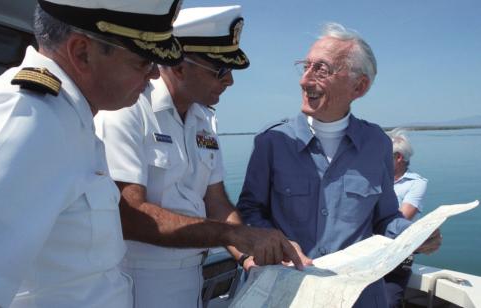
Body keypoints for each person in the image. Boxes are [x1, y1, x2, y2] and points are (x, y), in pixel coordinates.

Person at [0, 0, 183, 307]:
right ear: (81, 53)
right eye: (144, 61)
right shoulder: (23, 119)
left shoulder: (67, 119)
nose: (155, 75)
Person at [94, 6, 310, 308]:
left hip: (191, 278)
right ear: (180, 66)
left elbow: (217, 202)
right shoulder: (128, 110)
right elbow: (129, 215)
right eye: (220, 71)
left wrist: (249, 257)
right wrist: (237, 234)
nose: (230, 81)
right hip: (134, 281)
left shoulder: (204, 120)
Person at [236, 22, 442, 308]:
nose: (305, 80)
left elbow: (384, 219)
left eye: (321, 69)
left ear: (359, 86)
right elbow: (249, 211)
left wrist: (413, 235)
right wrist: (271, 242)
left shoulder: (377, 144)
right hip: (287, 294)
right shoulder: (271, 142)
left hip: (358, 298)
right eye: (305, 67)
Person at [384, 128, 428, 307]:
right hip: (369, 249)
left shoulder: (416, 183)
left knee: (388, 301)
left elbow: (402, 218)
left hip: (399, 254)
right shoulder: (374, 179)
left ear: (399, 157)